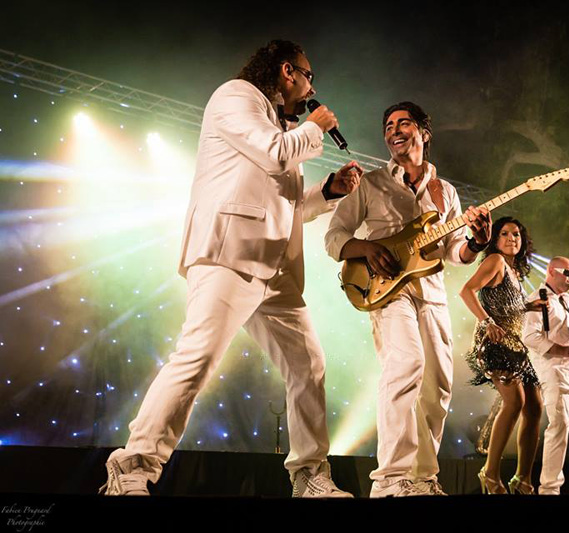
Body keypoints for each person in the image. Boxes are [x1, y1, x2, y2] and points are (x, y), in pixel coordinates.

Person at [100, 40, 362, 497]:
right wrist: (315, 127)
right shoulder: (235, 97)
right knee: (198, 357)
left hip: (274, 268)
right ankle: (132, 465)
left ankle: (310, 475)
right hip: (230, 254)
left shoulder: (279, 125)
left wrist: (328, 192)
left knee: (308, 365)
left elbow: (285, 207)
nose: (311, 89)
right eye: (309, 77)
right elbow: (274, 153)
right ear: (287, 71)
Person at [324, 101, 491, 497]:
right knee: (406, 364)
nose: (394, 130)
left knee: (437, 388)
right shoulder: (371, 183)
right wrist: (366, 248)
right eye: (388, 125)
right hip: (386, 290)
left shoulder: (445, 191)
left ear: (424, 133)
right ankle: (390, 479)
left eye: (403, 123)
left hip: (431, 294)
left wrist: (477, 243)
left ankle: (422, 479)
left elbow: (455, 252)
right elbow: (334, 236)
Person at [459, 217, 544, 494]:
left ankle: (522, 478)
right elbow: (466, 291)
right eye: (505, 233)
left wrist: (529, 306)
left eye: (516, 234)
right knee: (515, 402)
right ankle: (490, 473)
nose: (512, 238)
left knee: (535, 407)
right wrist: (487, 322)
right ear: (495, 239)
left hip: (517, 346)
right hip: (495, 342)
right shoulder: (495, 260)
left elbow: (508, 306)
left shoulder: (514, 271)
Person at [522, 256, 569, 495]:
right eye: (567, 273)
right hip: (554, 370)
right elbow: (529, 337)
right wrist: (565, 350)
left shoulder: (568, 301)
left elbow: (566, 332)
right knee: (559, 426)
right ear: (551, 271)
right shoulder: (537, 299)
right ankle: (549, 489)